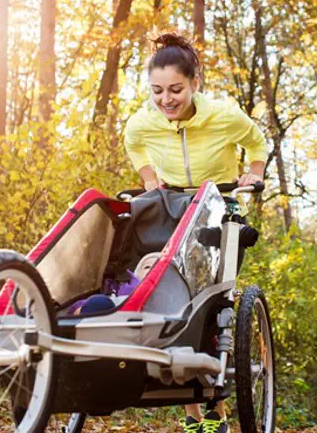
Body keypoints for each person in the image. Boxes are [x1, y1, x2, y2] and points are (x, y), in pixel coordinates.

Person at [124, 32, 268, 433]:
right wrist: (151, 181)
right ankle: (193, 419)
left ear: (194, 84)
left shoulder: (223, 115)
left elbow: (257, 140)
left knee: (209, 306)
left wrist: (253, 175)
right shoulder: (144, 121)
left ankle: (216, 411)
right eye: (157, 91)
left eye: (176, 89)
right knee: (173, 302)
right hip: (174, 210)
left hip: (221, 207)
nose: (166, 99)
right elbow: (133, 144)